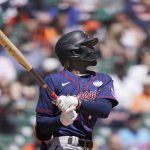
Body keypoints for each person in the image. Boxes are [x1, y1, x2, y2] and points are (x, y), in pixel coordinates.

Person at [35, 30, 118, 150]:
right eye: (87, 46)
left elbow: (104, 110)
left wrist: (77, 102)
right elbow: (42, 128)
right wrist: (61, 121)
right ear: (74, 52)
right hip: (63, 145)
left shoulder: (103, 79)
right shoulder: (53, 80)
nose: (92, 49)